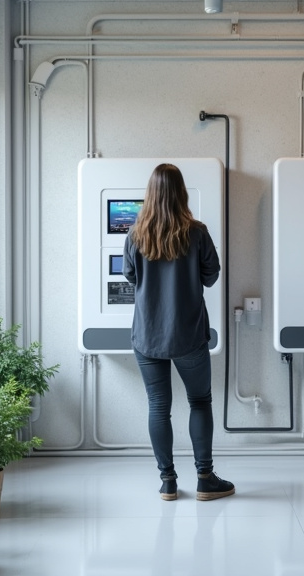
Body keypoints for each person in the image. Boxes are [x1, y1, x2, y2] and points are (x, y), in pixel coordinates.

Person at [123, 163, 235, 502]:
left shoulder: (135, 234)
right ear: (181, 193)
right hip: (188, 334)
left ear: (150, 195)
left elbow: (131, 277)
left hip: (147, 335)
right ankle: (205, 479)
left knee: (159, 406)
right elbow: (211, 276)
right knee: (199, 401)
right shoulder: (197, 232)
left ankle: (168, 482)